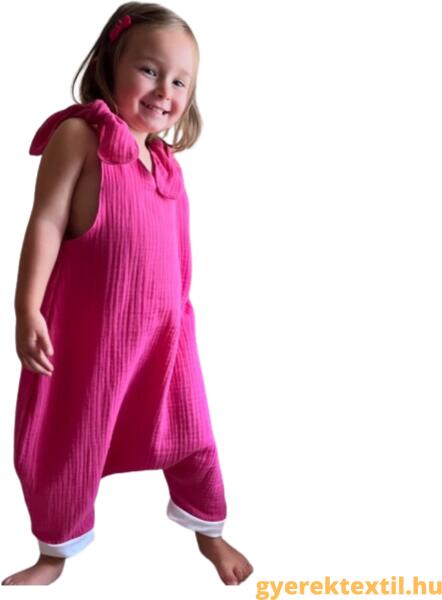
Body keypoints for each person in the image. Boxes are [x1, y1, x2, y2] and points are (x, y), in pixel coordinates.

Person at [2, 2, 253, 586]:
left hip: (166, 333)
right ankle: (54, 553)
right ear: (110, 64)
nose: (164, 90)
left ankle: (209, 532)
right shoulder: (79, 137)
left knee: (193, 433)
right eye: (149, 70)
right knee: (71, 439)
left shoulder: (165, 164)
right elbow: (46, 222)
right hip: (93, 333)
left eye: (180, 81)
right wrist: (26, 307)